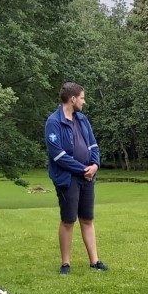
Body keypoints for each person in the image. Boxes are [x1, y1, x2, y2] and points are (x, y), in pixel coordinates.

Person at [45, 82, 108, 276]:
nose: (84, 101)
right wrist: (83, 169)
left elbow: (93, 146)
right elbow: (58, 155)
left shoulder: (82, 119)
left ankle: (95, 261)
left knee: (87, 219)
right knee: (68, 220)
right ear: (72, 99)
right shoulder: (53, 122)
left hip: (87, 177)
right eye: (82, 97)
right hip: (68, 179)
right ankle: (65, 264)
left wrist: (95, 166)